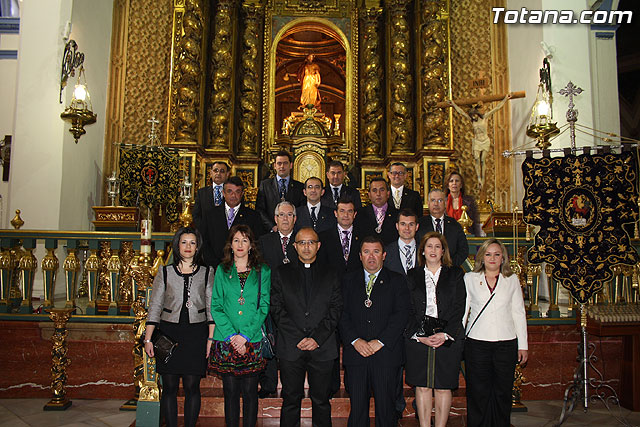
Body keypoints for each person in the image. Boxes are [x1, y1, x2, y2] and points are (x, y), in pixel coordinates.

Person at [271, 227, 343, 426]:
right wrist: (298, 338)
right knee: (290, 400)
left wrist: (316, 338)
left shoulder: (331, 273)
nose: (306, 247)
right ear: (294, 246)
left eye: (311, 242)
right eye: (302, 242)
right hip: (291, 348)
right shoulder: (282, 273)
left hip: (323, 347)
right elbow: (277, 308)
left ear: (318, 246)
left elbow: (336, 309)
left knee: (321, 401)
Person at [144, 227, 214, 427]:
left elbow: (211, 308)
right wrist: (148, 339)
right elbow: (155, 306)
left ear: (198, 246)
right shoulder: (165, 272)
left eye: (192, 242)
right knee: (170, 387)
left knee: (193, 386)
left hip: (196, 334)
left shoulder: (207, 272)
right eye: (184, 242)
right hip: (169, 333)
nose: (188, 247)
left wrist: (210, 339)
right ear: (177, 245)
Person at [339, 235, 410, 427]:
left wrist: (380, 342)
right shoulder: (347, 280)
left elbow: (402, 314)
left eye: (376, 251)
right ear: (360, 255)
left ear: (384, 255)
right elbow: (341, 314)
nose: (371, 256)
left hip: (386, 355)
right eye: (366, 252)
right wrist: (355, 340)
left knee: (387, 411)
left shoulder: (397, 281)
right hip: (356, 355)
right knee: (358, 410)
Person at [208, 224, 271, 427]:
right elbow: (216, 306)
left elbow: (264, 306)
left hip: (251, 340)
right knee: (231, 393)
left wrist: (244, 336)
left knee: (251, 393)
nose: (240, 244)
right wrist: (232, 337)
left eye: (245, 240)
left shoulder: (263, 271)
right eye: (236, 240)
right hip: (226, 340)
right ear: (231, 245)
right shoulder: (221, 269)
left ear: (251, 245)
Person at [463, 238, 528, 427]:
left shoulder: (512, 280)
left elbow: (518, 312)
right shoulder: (470, 279)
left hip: (505, 343)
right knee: (478, 391)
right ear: (481, 257)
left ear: (503, 258)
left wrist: (522, 345)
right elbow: (464, 311)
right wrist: (458, 340)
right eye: (488, 254)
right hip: (477, 343)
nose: (492, 258)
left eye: (497, 254)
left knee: (502, 391)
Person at [405, 232, 466, 427]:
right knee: (422, 386)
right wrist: (420, 335)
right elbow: (408, 308)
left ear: (443, 251)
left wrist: (445, 333)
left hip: (448, 335)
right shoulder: (413, 274)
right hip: (419, 337)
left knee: (443, 386)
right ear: (422, 250)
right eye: (429, 246)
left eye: (437, 246)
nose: (433, 250)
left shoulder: (455, 273)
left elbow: (459, 306)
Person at [257, 201, 298, 398]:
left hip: (296, 303)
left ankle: (291, 387)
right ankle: (268, 384)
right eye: (281, 215)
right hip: (270, 301)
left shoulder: (302, 240)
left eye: (289, 215)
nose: (285, 218)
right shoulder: (264, 241)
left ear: (295, 219)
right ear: (275, 218)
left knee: (291, 347)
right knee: (271, 342)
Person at [198, 176, 264, 268]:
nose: (233, 195)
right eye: (230, 191)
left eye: (237, 192)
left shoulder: (253, 216)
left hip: (243, 268)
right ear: (223, 193)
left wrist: (243, 265)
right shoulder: (210, 215)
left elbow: (256, 243)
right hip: (214, 268)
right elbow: (203, 241)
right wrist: (215, 265)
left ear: (242, 194)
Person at [449, 94, 511, 190]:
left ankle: (483, 179)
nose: (473, 117)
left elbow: (497, 108)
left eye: (474, 115)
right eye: (472, 115)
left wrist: (505, 99)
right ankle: (479, 179)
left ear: (477, 113)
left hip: (485, 141)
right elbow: (461, 112)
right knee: (477, 160)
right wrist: (453, 104)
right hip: (477, 142)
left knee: (483, 160)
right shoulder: (472, 120)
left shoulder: (484, 118)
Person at [418, 189, 469, 267]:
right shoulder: (419, 225)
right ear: (428, 204)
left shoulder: (454, 225)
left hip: (450, 271)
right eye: (433, 200)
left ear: (445, 203)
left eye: (440, 200)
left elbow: (463, 250)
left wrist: (449, 265)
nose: (436, 204)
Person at [256, 150, 305, 232]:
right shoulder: (265, 185)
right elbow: (260, 210)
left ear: (291, 165)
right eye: (279, 163)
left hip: (293, 232)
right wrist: (272, 227)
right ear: (275, 166)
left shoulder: (299, 187)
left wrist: (291, 227)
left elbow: (301, 210)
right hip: (270, 232)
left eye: (285, 163)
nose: (282, 166)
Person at [318, 197, 364, 274]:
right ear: (336, 213)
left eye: (350, 211)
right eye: (342, 211)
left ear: (354, 214)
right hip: (332, 282)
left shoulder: (363, 236)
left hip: (357, 282)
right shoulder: (323, 237)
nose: (346, 215)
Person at [355, 177, 399, 245]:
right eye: (374, 190)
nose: (378, 194)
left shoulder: (397, 214)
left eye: (382, 190)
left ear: (388, 193)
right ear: (369, 195)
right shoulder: (359, 214)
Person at [193, 162, 231, 232]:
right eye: (215, 170)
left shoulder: (233, 193)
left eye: (222, 171)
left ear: (227, 174)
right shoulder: (201, 193)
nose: (218, 173)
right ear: (211, 173)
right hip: (205, 235)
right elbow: (196, 215)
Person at [445, 171, 483, 237]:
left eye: (457, 181)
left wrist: (477, 240)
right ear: (448, 185)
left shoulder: (470, 201)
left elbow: (475, 223)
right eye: (451, 181)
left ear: (461, 185)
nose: (454, 183)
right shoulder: (442, 202)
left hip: (465, 237)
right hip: (447, 237)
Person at [384, 208, 420, 277]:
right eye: (403, 224)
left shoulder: (424, 250)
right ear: (397, 226)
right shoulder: (386, 252)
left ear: (417, 227)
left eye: (411, 224)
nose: (407, 228)